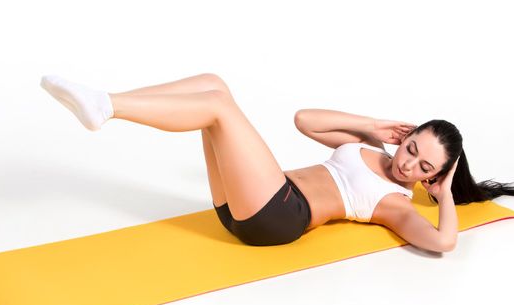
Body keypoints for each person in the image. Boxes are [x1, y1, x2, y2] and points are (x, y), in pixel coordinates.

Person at [40, 73, 514, 252]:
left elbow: (443, 243)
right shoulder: (371, 149)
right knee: (214, 85)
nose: (409, 165)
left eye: (424, 167)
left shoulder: (396, 202)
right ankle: (105, 100)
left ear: (432, 177)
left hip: (278, 216)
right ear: (406, 136)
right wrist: (373, 125)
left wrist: (446, 192)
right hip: (244, 205)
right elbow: (304, 119)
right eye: (412, 148)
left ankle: (104, 106)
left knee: (219, 109)